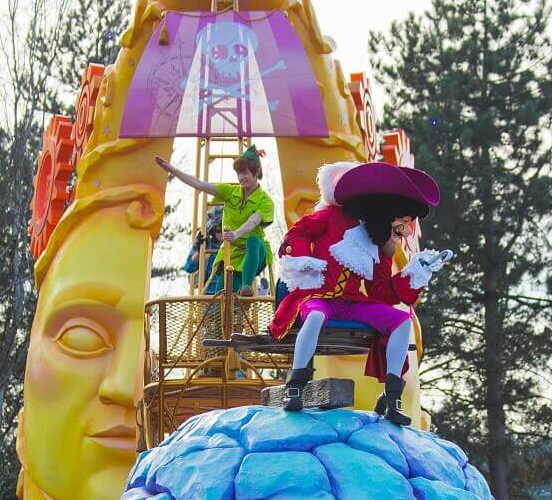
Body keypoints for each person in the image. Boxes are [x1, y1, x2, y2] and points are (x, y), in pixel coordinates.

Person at [265, 161, 451, 422]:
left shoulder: (378, 238)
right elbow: (298, 233)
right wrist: (305, 259)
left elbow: (381, 291)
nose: (404, 227)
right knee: (316, 316)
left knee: (401, 321)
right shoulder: (330, 217)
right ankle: (295, 385)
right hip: (317, 298)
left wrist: (413, 274)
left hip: (351, 303)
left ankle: (392, 397)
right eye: (403, 218)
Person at [157, 148, 274, 297]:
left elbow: (253, 221)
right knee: (221, 297)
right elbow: (198, 184)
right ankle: (231, 306)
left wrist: (235, 234)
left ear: (256, 172)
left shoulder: (265, 201)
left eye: (244, 173)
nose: (240, 177)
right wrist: (172, 170)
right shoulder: (230, 192)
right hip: (232, 254)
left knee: (253, 240)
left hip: (255, 252)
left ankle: (246, 286)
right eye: (238, 173)